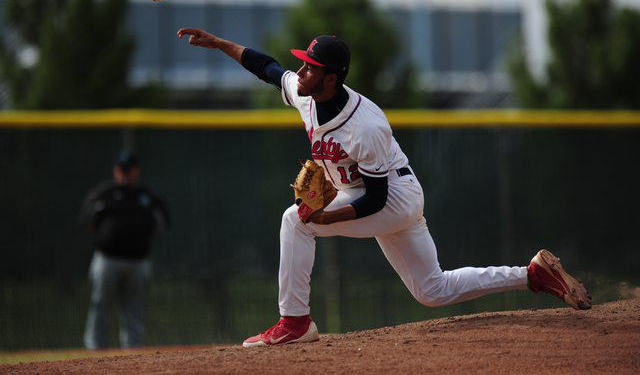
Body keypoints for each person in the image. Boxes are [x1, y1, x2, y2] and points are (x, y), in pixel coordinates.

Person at [177, 28, 592, 348]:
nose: (300, 71)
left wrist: (325, 215)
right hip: (375, 194)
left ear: (332, 78)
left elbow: (375, 199)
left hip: (393, 197)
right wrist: (217, 44)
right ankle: (533, 275)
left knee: (296, 220)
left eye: (309, 66)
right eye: (302, 64)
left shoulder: (365, 126)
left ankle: (295, 323)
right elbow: (265, 67)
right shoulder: (306, 95)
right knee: (433, 290)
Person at [80, 150, 171, 350]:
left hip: (138, 261)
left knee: (134, 308)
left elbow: (163, 219)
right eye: (121, 170)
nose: (124, 174)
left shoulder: (147, 195)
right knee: (101, 303)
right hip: (108, 259)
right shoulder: (103, 193)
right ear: (115, 170)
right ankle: (94, 347)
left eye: (128, 170)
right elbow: (87, 218)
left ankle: (133, 349)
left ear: (136, 171)